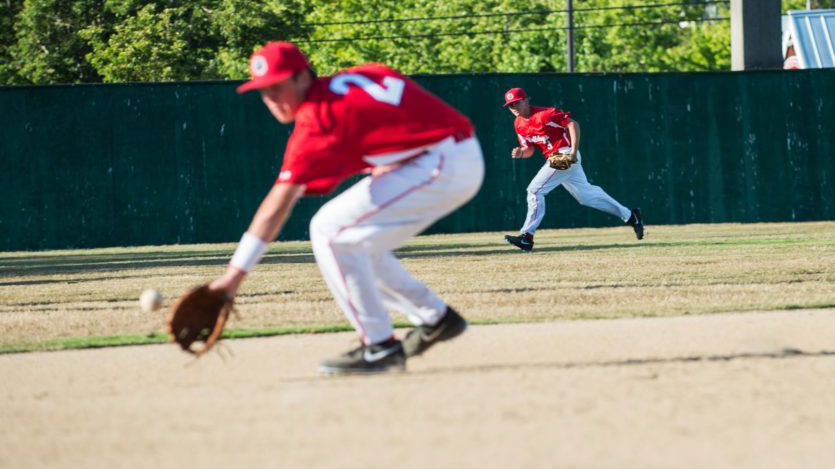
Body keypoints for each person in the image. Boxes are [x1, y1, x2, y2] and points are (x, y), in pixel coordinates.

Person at [208, 41, 484, 374]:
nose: (271, 99)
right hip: (442, 155)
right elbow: (391, 82)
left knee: (329, 231)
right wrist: (398, 148)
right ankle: (436, 318)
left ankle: (378, 346)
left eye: (278, 86)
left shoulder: (316, 120)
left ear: (302, 77)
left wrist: (233, 276)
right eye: (263, 91)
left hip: (442, 164)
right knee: (356, 243)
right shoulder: (356, 77)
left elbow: (277, 205)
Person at [501, 87, 643, 251]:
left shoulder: (545, 114)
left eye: (517, 103)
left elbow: (572, 124)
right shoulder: (518, 124)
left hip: (564, 154)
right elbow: (529, 150)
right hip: (554, 159)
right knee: (585, 196)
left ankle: (527, 236)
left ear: (526, 100)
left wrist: (573, 152)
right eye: (511, 105)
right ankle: (631, 216)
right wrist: (521, 153)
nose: (514, 108)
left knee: (534, 190)